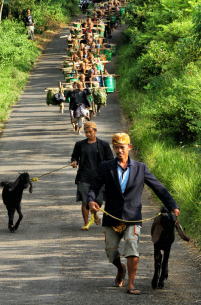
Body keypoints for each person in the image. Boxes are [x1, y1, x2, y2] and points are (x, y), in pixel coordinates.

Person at [87, 133, 180, 295]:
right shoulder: (106, 167)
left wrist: (172, 205)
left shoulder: (141, 168)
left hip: (133, 217)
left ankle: (131, 284)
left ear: (129, 147)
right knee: (110, 250)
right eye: (116, 147)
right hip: (112, 216)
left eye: (122, 147)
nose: (119, 151)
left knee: (132, 247)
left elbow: (158, 188)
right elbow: (94, 187)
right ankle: (120, 268)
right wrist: (90, 201)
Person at [71, 122, 114, 230]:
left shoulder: (103, 145)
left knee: (98, 201)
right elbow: (74, 156)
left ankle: (94, 214)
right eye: (86, 132)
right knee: (85, 201)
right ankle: (86, 223)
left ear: (95, 131)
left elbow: (110, 160)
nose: (88, 134)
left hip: (99, 178)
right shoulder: (80, 144)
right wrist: (74, 161)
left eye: (90, 132)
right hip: (84, 177)